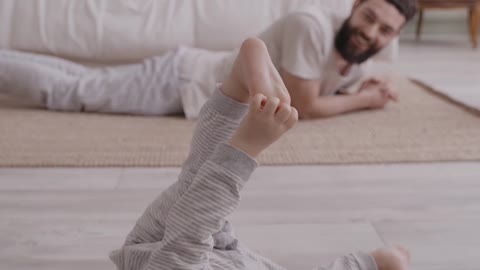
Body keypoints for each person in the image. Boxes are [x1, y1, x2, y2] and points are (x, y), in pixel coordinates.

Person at [109, 38, 411, 270]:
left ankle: (241, 96)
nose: (373, 34)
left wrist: (246, 147)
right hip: (213, 250)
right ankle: (240, 86)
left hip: (160, 252)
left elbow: (182, 248)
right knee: (194, 185)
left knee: (192, 204)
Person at [0, 0, 416, 119]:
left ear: (394, 37)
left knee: (80, 80)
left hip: (185, 77)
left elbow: (323, 87)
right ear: (355, 6)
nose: (370, 33)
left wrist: (358, 87)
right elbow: (304, 104)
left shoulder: (358, 54)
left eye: (384, 31)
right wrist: (366, 101)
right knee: (70, 91)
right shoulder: (313, 25)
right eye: (368, 17)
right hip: (182, 83)